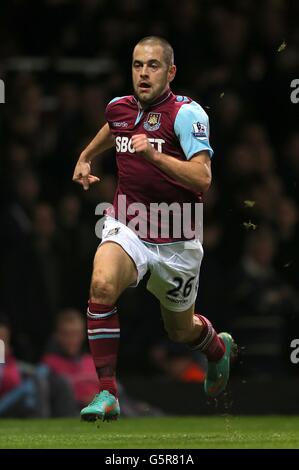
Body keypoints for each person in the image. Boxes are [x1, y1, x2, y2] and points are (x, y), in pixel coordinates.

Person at [72, 36, 237, 422]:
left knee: (180, 331)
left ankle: (216, 348)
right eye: (137, 65)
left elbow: (202, 179)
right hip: (128, 225)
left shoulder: (187, 114)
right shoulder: (120, 108)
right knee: (101, 285)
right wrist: (85, 156)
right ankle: (108, 393)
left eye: (153, 65)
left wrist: (153, 155)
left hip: (179, 239)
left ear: (170, 71)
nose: (143, 73)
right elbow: (114, 128)